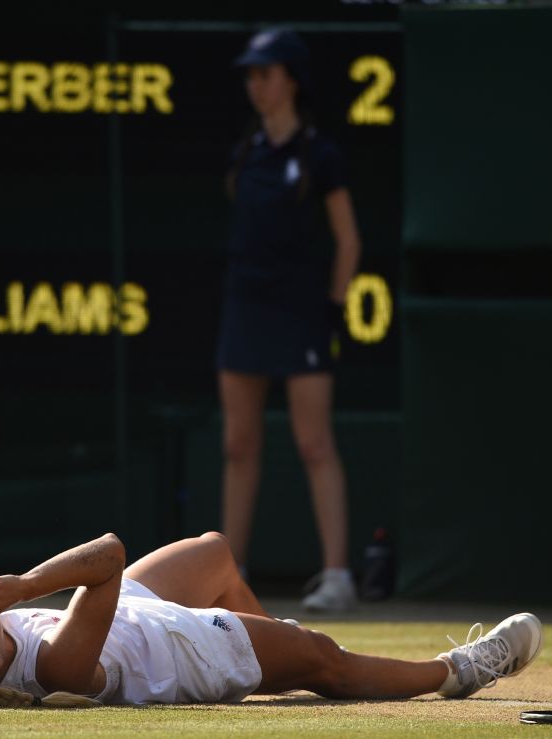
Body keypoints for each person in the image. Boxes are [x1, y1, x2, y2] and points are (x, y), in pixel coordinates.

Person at [0, 525, 543, 708]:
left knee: (215, 552)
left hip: (126, 615)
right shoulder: (55, 668)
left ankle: (280, 643)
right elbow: (107, 556)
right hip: (184, 652)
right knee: (327, 663)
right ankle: (458, 669)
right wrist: (23, 586)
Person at [218, 27, 363, 611]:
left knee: (313, 442)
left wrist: (332, 308)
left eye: (266, 73)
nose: (256, 85)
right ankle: (228, 573)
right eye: (250, 75)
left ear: (292, 81)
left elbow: (348, 240)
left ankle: (337, 575)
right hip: (244, 309)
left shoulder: (320, 156)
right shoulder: (246, 152)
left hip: (301, 312)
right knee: (238, 443)